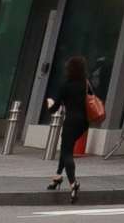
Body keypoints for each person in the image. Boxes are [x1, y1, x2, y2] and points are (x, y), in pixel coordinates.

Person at [47, 54, 94, 201]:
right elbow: (92, 98)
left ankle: (73, 183)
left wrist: (49, 102)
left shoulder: (65, 85)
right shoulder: (85, 83)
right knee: (66, 146)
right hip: (84, 123)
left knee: (67, 152)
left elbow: (54, 109)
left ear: (69, 69)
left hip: (71, 122)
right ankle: (57, 176)